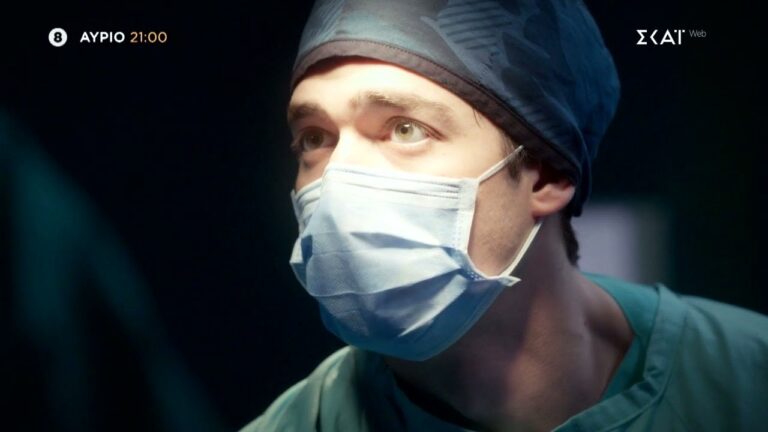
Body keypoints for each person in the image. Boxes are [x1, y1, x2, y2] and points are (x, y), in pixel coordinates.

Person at [243, 1, 768, 431]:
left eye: (405, 129)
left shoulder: (746, 383)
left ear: (546, 174)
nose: (338, 179)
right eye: (314, 138)